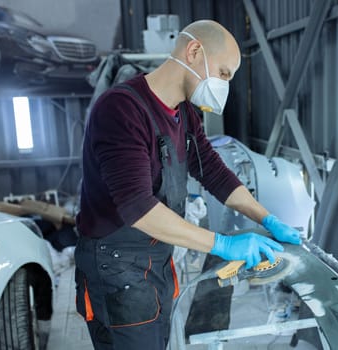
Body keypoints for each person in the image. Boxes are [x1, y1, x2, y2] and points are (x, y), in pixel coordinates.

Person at [74, 19, 301, 349]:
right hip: (117, 269)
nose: (224, 84)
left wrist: (266, 218)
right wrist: (223, 244)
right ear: (194, 51)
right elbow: (139, 209)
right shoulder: (121, 110)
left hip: (153, 261)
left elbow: (213, 172)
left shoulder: (184, 113)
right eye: (224, 73)